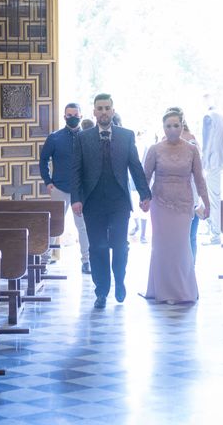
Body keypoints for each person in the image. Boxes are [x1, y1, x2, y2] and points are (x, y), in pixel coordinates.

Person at [71, 93, 151, 309]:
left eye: (107, 108)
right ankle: (101, 291)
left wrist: (145, 194)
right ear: (94, 112)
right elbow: (76, 170)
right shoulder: (83, 138)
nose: (104, 112)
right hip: (93, 202)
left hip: (119, 202)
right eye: (100, 108)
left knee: (119, 245)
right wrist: (76, 199)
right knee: (97, 247)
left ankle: (120, 281)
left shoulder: (126, 136)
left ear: (113, 111)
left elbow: (135, 166)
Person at [143, 109, 210, 304]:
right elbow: (145, 177)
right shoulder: (154, 149)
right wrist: (144, 199)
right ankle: (161, 290)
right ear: (163, 127)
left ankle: (183, 291)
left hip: (183, 204)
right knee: (161, 247)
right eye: (168, 126)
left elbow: (199, 179)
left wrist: (206, 201)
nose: (172, 130)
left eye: (176, 125)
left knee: (181, 247)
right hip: (160, 203)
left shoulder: (191, 150)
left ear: (182, 126)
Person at [39, 103, 91, 273]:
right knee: (54, 226)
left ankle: (87, 261)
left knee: (83, 226)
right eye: (69, 115)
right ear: (64, 117)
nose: (72, 117)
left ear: (81, 116)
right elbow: (43, 160)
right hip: (59, 188)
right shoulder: (54, 138)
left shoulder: (88, 138)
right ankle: (44, 260)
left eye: (75, 114)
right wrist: (48, 182)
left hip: (81, 191)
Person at [166, 106, 202, 264]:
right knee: (176, 236)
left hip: (190, 193)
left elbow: (199, 173)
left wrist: (200, 198)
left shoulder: (192, 141)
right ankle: (176, 270)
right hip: (169, 196)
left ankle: (189, 270)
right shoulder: (162, 143)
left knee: (190, 235)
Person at [201, 94, 223, 245]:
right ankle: (211, 228)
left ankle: (215, 234)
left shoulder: (208, 117)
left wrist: (203, 162)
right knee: (213, 196)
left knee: (213, 197)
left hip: (212, 161)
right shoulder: (221, 116)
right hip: (220, 159)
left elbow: (207, 142)